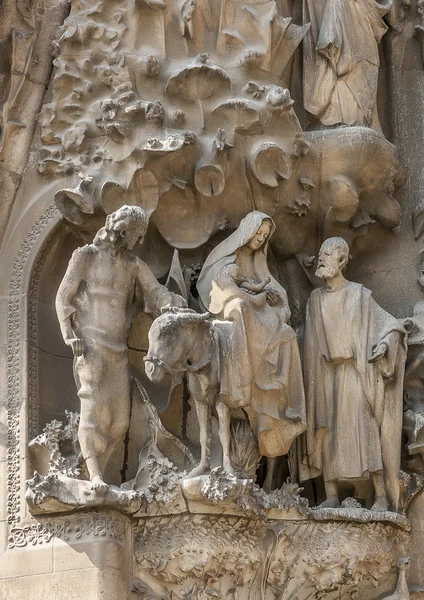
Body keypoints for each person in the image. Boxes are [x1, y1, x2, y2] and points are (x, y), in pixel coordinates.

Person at [56, 205, 186, 492]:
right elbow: (63, 296)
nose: (136, 241)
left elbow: (154, 291)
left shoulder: (133, 266)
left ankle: (97, 472)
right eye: (135, 234)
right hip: (90, 344)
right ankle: (93, 476)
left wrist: (169, 301)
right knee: (92, 408)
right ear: (121, 229)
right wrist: (69, 335)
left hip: (118, 349)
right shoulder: (86, 256)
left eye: (138, 236)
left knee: (119, 420)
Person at [299, 237, 407, 510]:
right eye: (320, 253)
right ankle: (331, 493)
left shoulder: (360, 295)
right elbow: (308, 342)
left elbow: (391, 327)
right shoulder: (314, 300)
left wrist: (384, 345)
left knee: (364, 428)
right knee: (327, 432)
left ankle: (381, 494)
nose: (321, 259)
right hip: (325, 375)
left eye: (327, 254)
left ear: (342, 260)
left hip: (356, 373)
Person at [197, 211, 306, 470]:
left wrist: (275, 300)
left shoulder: (258, 261)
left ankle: (281, 393)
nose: (260, 239)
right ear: (247, 230)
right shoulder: (227, 258)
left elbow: (274, 290)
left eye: (265, 236)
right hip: (239, 313)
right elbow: (220, 291)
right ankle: (241, 380)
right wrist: (252, 297)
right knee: (237, 308)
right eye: (257, 233)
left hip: (259, 316)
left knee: (288, 334)